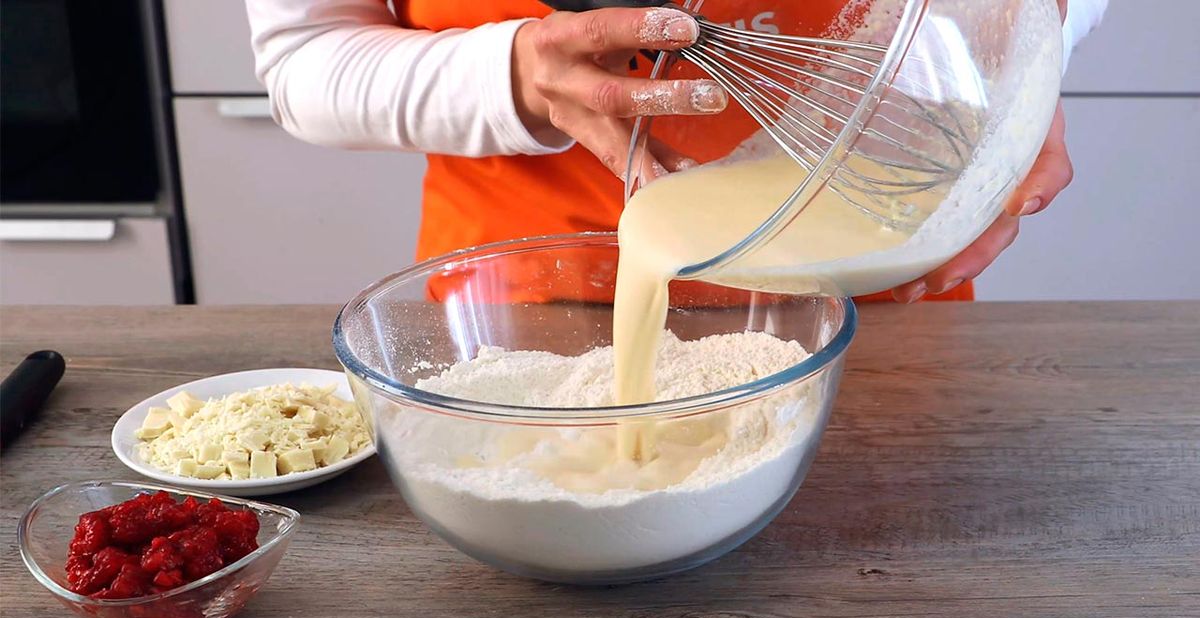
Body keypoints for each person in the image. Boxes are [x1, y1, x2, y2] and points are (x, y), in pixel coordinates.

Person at [247, 0, 1107, 303]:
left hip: (871, 292)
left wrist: (1014, 56)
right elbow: (304, 55)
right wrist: (512, 75)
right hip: (525, 310)